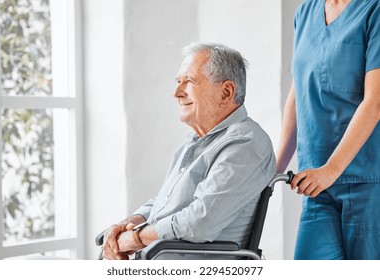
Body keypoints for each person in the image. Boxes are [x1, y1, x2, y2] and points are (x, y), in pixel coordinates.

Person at [102, 42, 276, 260]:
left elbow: (200, 222)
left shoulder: (245, 144)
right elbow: (165, 202)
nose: (176, 93)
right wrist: (130, 224)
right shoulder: (197, 140)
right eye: (178, 82)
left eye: (189, 81)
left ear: (226, 92)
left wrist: (136, 239)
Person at [276, 0, 380, 259]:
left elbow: (375, 101)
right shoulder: (305, 13)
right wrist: (275, 167)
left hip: (367, 181)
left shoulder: (374, 9)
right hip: (316, 182)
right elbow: (298, 91)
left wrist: (331, 170)